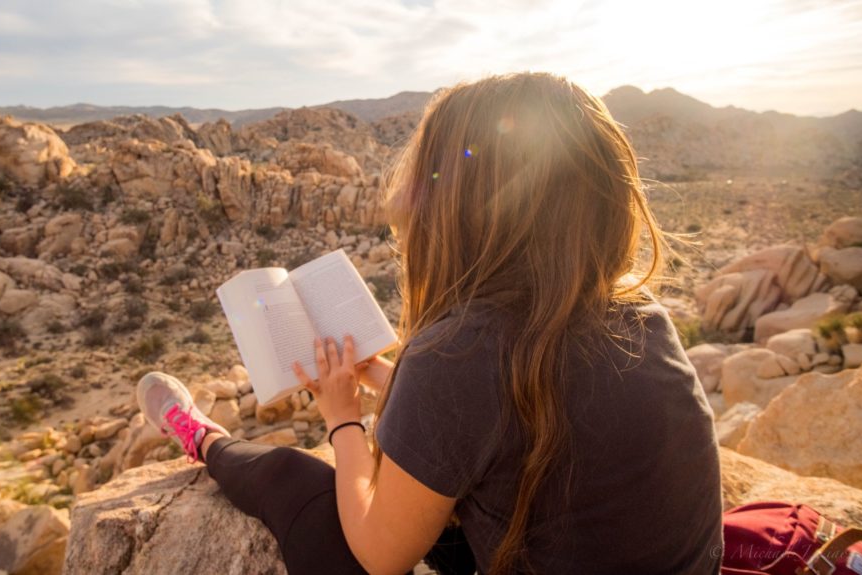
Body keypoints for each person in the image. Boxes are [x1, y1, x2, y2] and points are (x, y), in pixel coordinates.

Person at [136, 71, 723, 575]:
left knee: (297, 480)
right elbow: (518, 420)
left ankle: (199, 436)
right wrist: (393, 382)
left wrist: (342, 419)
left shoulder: (460, 352)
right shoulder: (643, 321)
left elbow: (380, 555)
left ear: (459, 211)